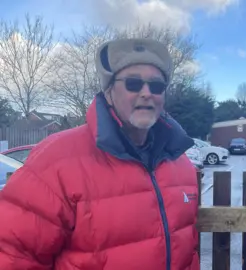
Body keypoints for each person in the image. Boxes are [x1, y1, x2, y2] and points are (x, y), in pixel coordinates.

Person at [0, 38, 200, 270]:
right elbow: (12, 257)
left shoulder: (181, 164)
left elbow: (187, 253)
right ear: (108, 92)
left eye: (157, 86)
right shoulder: (54, 160)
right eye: (133, 83)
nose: (147, 93)